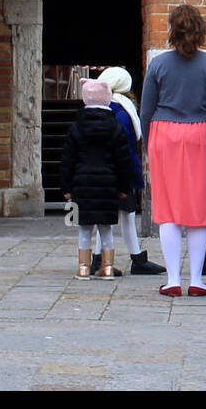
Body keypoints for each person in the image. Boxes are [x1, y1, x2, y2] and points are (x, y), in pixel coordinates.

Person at [140, 4, 206, 297]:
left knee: (169, 211)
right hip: (201, 134)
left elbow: (146, 111)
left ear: (172, 30)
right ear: (201, 31)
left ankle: (173, 279)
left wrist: (149, 145)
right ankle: (197, 280)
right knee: (199, 211)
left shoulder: (158, 65)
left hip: (164, 135)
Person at [89, 67, 166, 276]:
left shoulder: (100, 107)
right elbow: (124, 145)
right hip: (119, 169)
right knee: (121, 215)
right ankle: (109, 260)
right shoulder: (121, 110)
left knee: (116, 215)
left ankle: (126, 257)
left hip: (104, 168)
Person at [61, 77, 133, 280]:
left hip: (81, 184)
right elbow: (123, 161)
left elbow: (68, 159)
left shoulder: (76, 127)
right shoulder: (116, 128)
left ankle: (83, 267)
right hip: (108, 185)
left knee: (84, 228)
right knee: (106, 229)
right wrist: (124, 187)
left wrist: (66, 187)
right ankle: (107, 268)